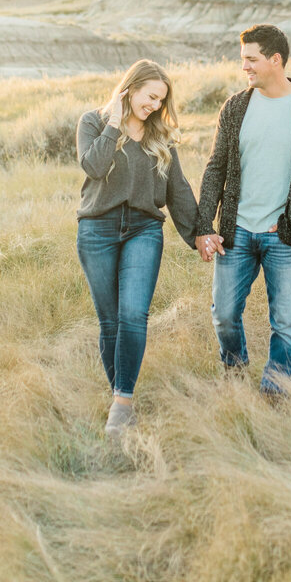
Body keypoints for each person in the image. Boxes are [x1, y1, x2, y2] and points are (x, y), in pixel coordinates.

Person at [193, 24, 291, 398]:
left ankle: (273, 392)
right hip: (236, 231)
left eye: (251, 59)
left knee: (285, 324)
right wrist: (203, 225)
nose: (244, 66)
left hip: (285, 237)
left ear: (275, 60)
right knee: (224, 315)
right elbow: (215, 168)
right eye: (242, 59)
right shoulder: (235, 107)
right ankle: (236, 371)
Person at [76, 59, 199, 438]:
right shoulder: (93, 122)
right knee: (110, 321)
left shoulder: (159, 135)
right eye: (151, 97)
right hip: (97, 229)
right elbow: (94, 167)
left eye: (161, 100)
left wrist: (200, 234)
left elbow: (177, 189)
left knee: (133, 314)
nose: (156, 106)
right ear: (131, 88)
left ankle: (121, 406)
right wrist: (115, 122)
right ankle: (122, 401)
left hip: (144, 229)